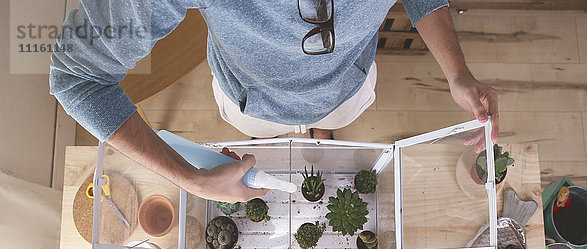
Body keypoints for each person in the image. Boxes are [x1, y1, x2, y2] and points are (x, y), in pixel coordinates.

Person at [49, 0, 499, 203]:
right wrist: (191, 179)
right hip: (250, 102)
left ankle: (322, 135)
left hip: (346, 87)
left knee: (329, 124)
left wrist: (457, 72)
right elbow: (76, 77)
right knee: (258, 139)